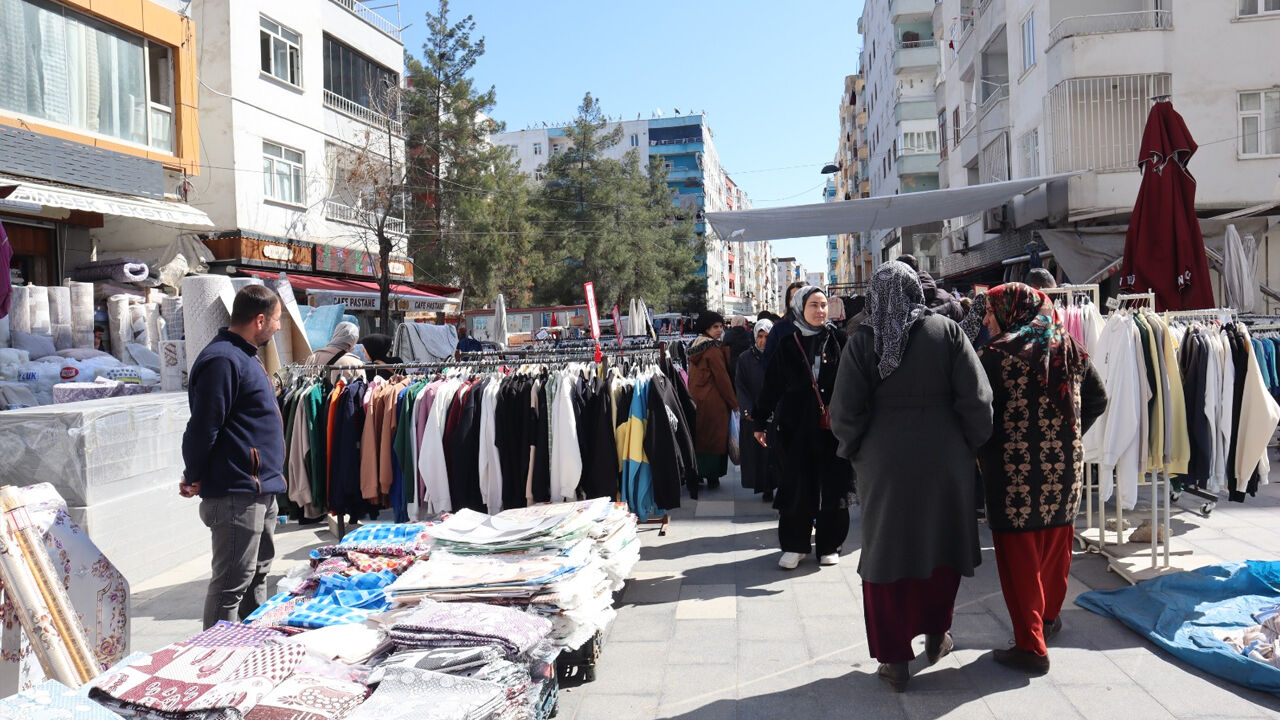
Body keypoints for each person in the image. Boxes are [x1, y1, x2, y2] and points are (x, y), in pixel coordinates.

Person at [829, 261, 993, 692]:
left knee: (888, 555)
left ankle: (895, 659)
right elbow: (977, 399)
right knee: (941, 545)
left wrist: (858, 454)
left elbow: (843, 413)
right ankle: (937, 636)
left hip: (885, 465)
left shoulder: (862, 341)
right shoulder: (947, 332)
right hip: (946, 459)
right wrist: (970, 445)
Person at [976, 283, 1107, 674]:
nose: (985, 319)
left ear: (1009, 309)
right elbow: (1099, 398)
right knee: (1054, 547)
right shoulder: (1067, 346)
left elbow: (979, 413)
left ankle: (1031, 647)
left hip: (1013, 472)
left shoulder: (995, 355)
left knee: (1020, 560)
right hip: (1063, 468)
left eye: (989, 310)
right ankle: (1048, 621)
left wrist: (987, 450)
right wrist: (1067, 436)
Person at [180, 285, 284, 629]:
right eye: (277, 320)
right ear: (259, 320)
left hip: (257, 490)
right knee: (230, 585)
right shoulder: (223, 359)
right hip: (237, 493)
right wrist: (194, 472)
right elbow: (203, 426)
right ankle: (213, 659)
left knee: (256, 576)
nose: (279, 327)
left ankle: (251, 646)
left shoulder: (242, 355)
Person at [753, 287, 854, 569]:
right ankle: (795, 545)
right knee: (797, 487)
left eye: (824, 305)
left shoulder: (840, 339)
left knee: (834, 488)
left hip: (833, 430)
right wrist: (760, 421)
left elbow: (855, 383)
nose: (820, 311)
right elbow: (771, 386)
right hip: (796, 428)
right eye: (814, 305)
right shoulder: (788, 343)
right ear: (799, 307)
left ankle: (829, 544)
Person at [687, 311, 738, 497]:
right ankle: (712, 476)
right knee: (715, 440)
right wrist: (734, 403)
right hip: (715, 403)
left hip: (698, 401)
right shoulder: (713, 350)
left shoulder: (696, 346)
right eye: (715, 327)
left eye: (720, 326)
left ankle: (699, 472)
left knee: (700, 438)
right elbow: (722, 380)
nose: (719, 330)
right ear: (706, 329)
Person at [735, 318, 776, 502]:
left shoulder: (778, 355)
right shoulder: (745, 358)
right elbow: (741, 386)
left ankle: (775, 485)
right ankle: (765, 487)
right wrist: (748, 410)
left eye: (767, 336)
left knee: (774, 452)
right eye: (760, 336)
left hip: (775, 413)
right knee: (759, 454)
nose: (763, 341)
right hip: (754, 414)